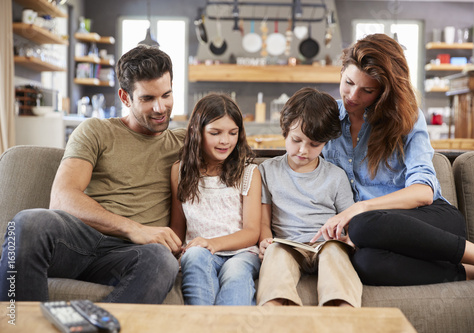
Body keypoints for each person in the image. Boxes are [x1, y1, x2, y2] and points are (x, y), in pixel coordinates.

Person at [0, 45, 186, 303]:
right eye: (147, 98)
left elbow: (235, 148)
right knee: (28, 223)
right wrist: (135, 228)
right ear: (125, 97)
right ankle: (19, 327)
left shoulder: (185, 142)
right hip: (80, 242)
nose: (160, 107)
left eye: (166, 95)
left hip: (134, 255)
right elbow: (62, 198)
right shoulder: (96, 130)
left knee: (161, 261)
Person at [313, 33, 474, 285]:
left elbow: (423, 192)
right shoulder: (327, 117)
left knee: (361, 225)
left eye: (367, 90)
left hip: (431, 220)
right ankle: (470, 272)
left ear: (384, 92)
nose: (353, 96)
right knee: (366, 264)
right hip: (374, 234)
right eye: (348, 82)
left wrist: (359, 208)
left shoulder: (406, 119)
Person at [256, 87, 362, 307]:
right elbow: (264, 221)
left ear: (326, 142)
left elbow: (349, 220)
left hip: (327, 244)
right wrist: (265, 240)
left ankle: (343, 314)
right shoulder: (267, 170)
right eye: (296, 140)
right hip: (288, 245)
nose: (303, 150)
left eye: (314, 145)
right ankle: (273, 313)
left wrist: (349, 239)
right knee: (275, 253)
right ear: (285, 130)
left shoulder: (335, 176)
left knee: (335, 253)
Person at [170, 93, 261, 305]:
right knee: (194, 255)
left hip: (241, 253)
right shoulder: (179, 171)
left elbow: (251, 232)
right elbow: (178, 227)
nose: (225, 141)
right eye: (215, 132)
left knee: (236, 274)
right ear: (196, 132)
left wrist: (212, 243)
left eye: (232, 133)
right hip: (199, 253)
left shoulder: (248, 172)